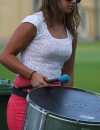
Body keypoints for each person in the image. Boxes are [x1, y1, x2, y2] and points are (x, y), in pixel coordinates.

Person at [0, 0, 81, 129]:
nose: (74, 1)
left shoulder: (71, 30)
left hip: (54, 103)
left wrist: (66, 104)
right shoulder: (34, 22)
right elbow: (5, 56)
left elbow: (68, 73)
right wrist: (32, 75)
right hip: (24, 100)